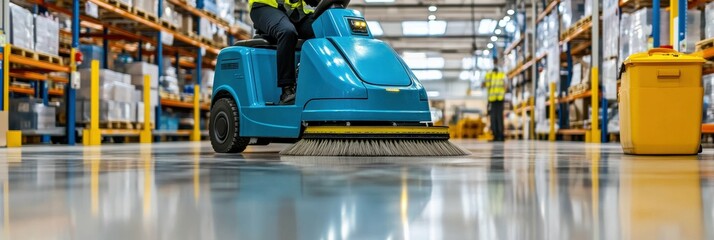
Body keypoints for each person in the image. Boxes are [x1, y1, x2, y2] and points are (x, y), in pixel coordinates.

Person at [249, 0, 320, 104]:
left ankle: (317, 85)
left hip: (294, 12)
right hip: (266, 6)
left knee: (322, 27)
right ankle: (287, 89)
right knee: (287, 31)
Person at [484, 60, 506, 142]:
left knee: (499, 118)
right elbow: (485, 84)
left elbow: (505, 85)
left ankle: (500, 135)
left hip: (499, 99)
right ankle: (495, 135)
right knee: (493, 118)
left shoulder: (501, 74)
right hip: (492, 99)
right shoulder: (489, 74)